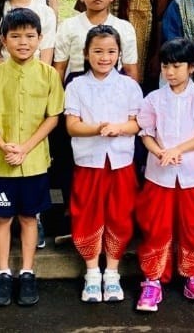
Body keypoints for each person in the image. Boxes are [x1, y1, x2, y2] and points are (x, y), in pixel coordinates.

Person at [0, 8, 65, 308]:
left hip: (35, 163)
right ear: (3, 40)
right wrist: (3, 145)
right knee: (1, 218)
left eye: (29, 36)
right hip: (0, 164)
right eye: (15, 36)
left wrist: (26, 147)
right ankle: (2, 273)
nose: (23, 42)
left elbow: (53, 117)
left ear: (40, 38)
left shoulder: (49, 75)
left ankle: (27, 272)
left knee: (28, 217)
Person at [135, 38, 194, 312]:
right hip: (159, 173)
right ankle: (152, 279)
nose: (170, 72)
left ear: (191, 68)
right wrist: (160, 152)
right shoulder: (153, 99)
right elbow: (146, 134)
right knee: (156, 224)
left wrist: (177, 150)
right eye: (166, 66)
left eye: (177, 66)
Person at [64, 25, 143, 303]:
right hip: (89, 162)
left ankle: (111, 272)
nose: (104, 57)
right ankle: (91, 273)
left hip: (120, 162)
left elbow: (137, 124)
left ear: (119, 53)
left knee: (119, 214)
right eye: (97, 51)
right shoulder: (76, 86)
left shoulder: (129, 86)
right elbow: (72, 126)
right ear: (86, 54)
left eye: (111, 51)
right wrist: (98, 129)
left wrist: (118, 128)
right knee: (87, 213)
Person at [54, 0, 139, 82]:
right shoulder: (68, 26)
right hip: (77, 86)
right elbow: (60, 67)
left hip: (113, 87)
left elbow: (130, 69)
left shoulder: (124, 28)